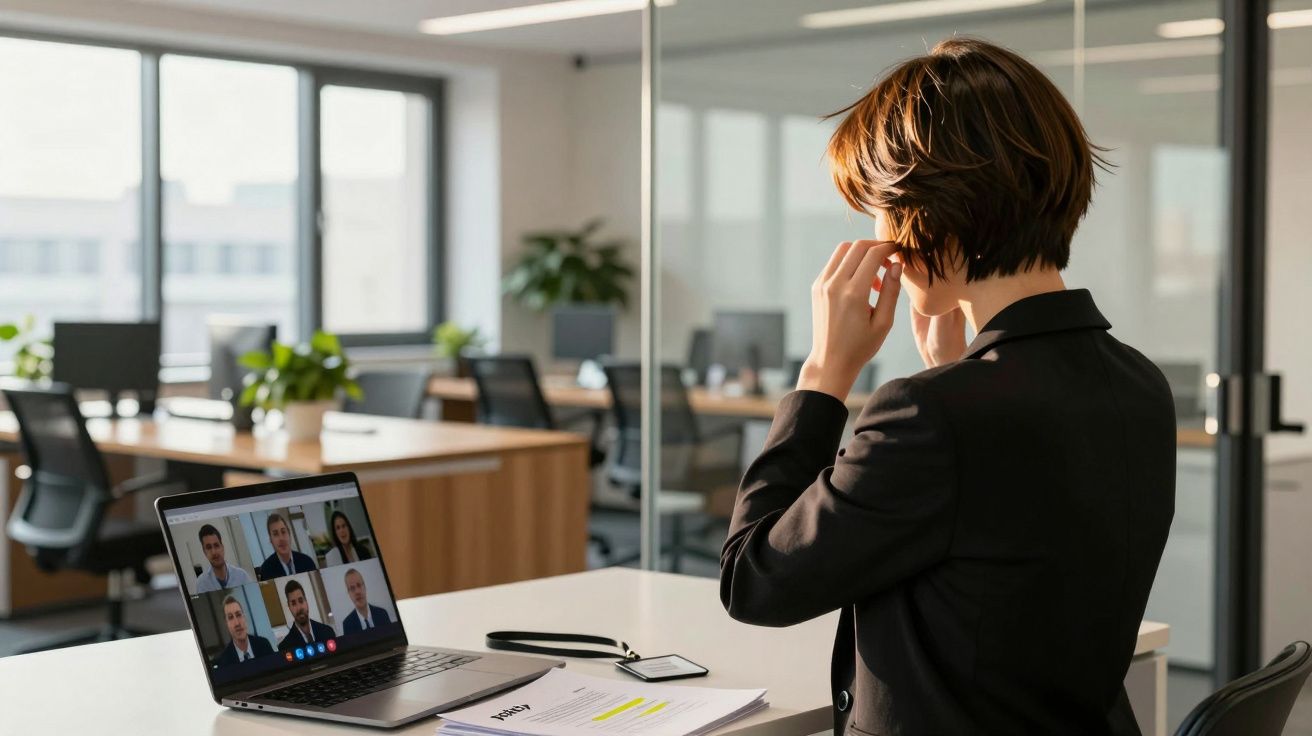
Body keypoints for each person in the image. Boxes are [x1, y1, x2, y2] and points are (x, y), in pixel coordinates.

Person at [718, 37, 1175, 736]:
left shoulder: (931, 417)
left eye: (878, 210)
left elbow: (755, 582)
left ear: (924, 218)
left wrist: (823, 376)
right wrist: (947, 370)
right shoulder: (1138, 382)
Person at [213, 595, 275, 667]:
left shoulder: (264, 645)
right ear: (226, 624)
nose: (237, 623)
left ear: (244, 617)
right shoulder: (222, 661)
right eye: (230, 617)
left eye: (239, 615)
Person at [277, 579, 337, 652]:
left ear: (306, 601)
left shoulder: (328, 632)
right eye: (293, 603)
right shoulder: (285, 647)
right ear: (289, 607)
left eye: (301, 601)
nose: (299, 608)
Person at [257, 512, 317, 581]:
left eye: (283, 532)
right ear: (271, 540)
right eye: (275, 534)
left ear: (289, 534)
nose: (281, 538)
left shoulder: (307, 562)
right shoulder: (266, 570)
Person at [194, 523, 252, 593]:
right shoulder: (201, 584)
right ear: (204, 552)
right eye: (209, 547)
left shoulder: (242, 576)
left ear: (222, 547)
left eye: (216, 545)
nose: (214, 552)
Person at [339, 567, 392, 634]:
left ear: (364, 587)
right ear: (349, 593)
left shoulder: (382, 614)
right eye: (352, 588)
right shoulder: (347, 625)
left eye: (359, 585)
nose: (357, 592)